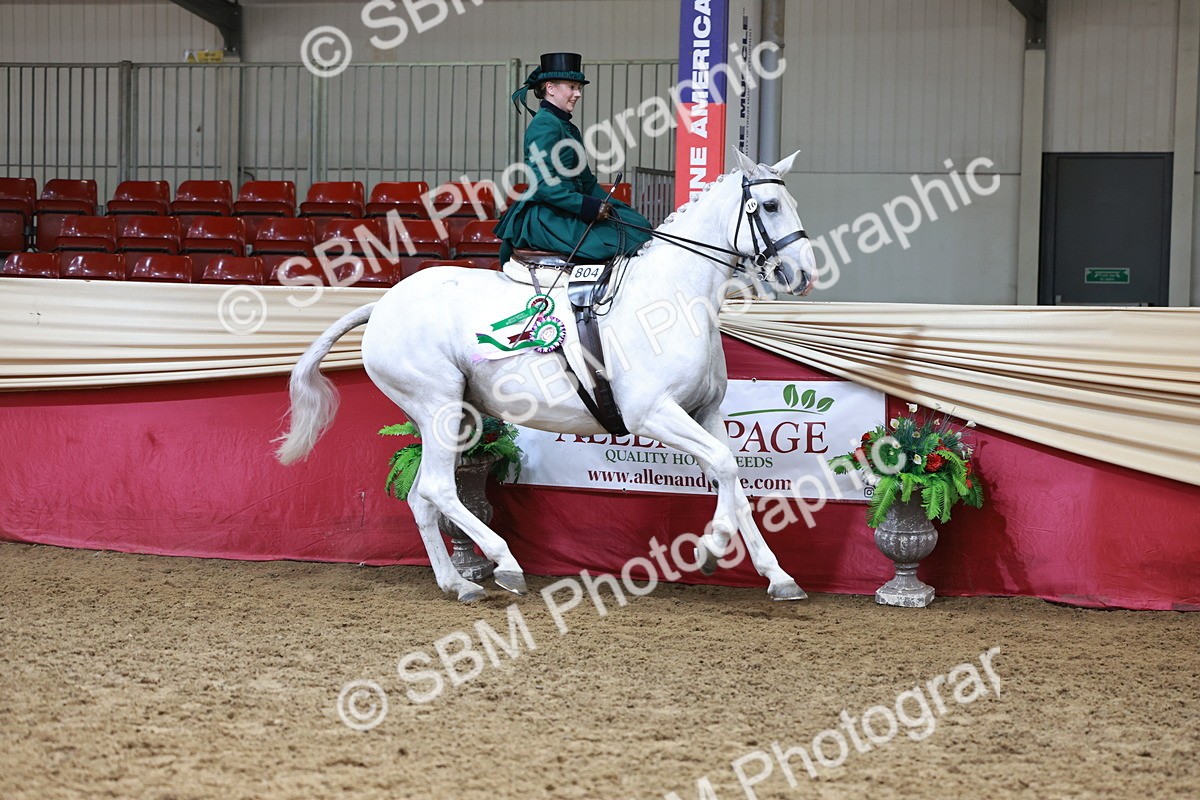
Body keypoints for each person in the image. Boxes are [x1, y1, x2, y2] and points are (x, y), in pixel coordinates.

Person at [494, 52, 652, 264]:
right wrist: (587, 207)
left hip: (570, 207)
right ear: (550, 88)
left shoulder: (567, 127)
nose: (578, 94)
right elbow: (541, 185)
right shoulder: (544, 124)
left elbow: (586, 182)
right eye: (572, 87)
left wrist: (613, 206)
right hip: (549, 213)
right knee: (620, 243)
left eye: (579, 88)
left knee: (639, 227)